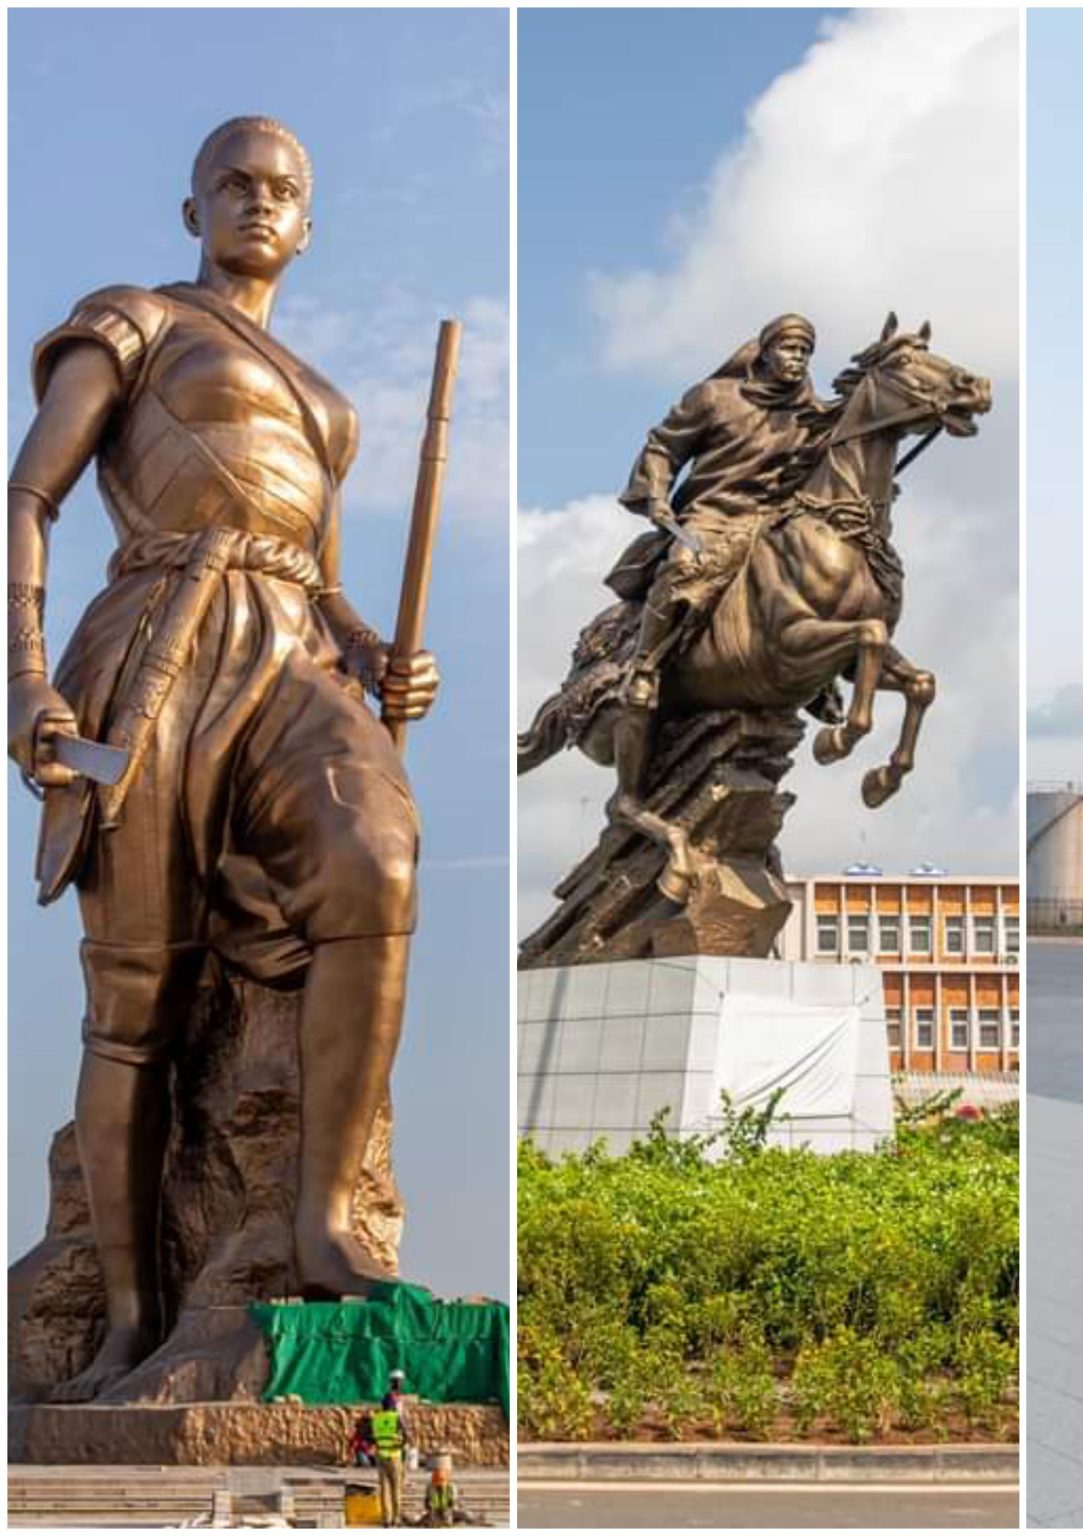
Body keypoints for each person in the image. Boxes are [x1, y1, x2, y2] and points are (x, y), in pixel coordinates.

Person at [7, 117, 439, 1401]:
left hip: (294, 653)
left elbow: (329, 581)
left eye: (283, 190)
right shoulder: (133, 319)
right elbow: (28, 497)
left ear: (309, 224)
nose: (259, 202)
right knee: (137, 994)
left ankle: (324, 1225)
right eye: (234, 184)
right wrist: (25, 676)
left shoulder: (329, 404)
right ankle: (130, 1315)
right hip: (159, 640)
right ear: (192, 208)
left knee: (378, 862)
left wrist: (378, 653)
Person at [602, 314, 837, 866]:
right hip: (713, 518)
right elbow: (663, 447)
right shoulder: (715, 398)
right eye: (789, 348)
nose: (797, 359)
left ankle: (823, 675)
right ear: (765, 350)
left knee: (825, 578)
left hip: (772, 523)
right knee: (685, 570)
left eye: (805, 351)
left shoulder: (811, 413)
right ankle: (647, 664)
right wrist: (656, 493)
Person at [370, 1399, 409, 1527]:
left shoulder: (376, 1418)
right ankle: (396, 1519)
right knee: (396, 1488)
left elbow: (372, 1437)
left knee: (384, 1489)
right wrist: (400, 1445)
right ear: (393, 1406)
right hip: (394, 1456)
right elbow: (407, 1436)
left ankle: (386, 1519)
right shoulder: (396, 1418)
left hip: (381, 1456)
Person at [423, 1458, 460, 1527]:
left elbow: (454, 1502)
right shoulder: (430, 1487)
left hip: (448, 1511)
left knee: (449, 1520)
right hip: (435, 1511)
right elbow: (426, 1501)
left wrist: (449, 1507)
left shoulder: (451, 1487)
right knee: (433, 1522)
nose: (439, 1485)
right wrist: (429, 1506)